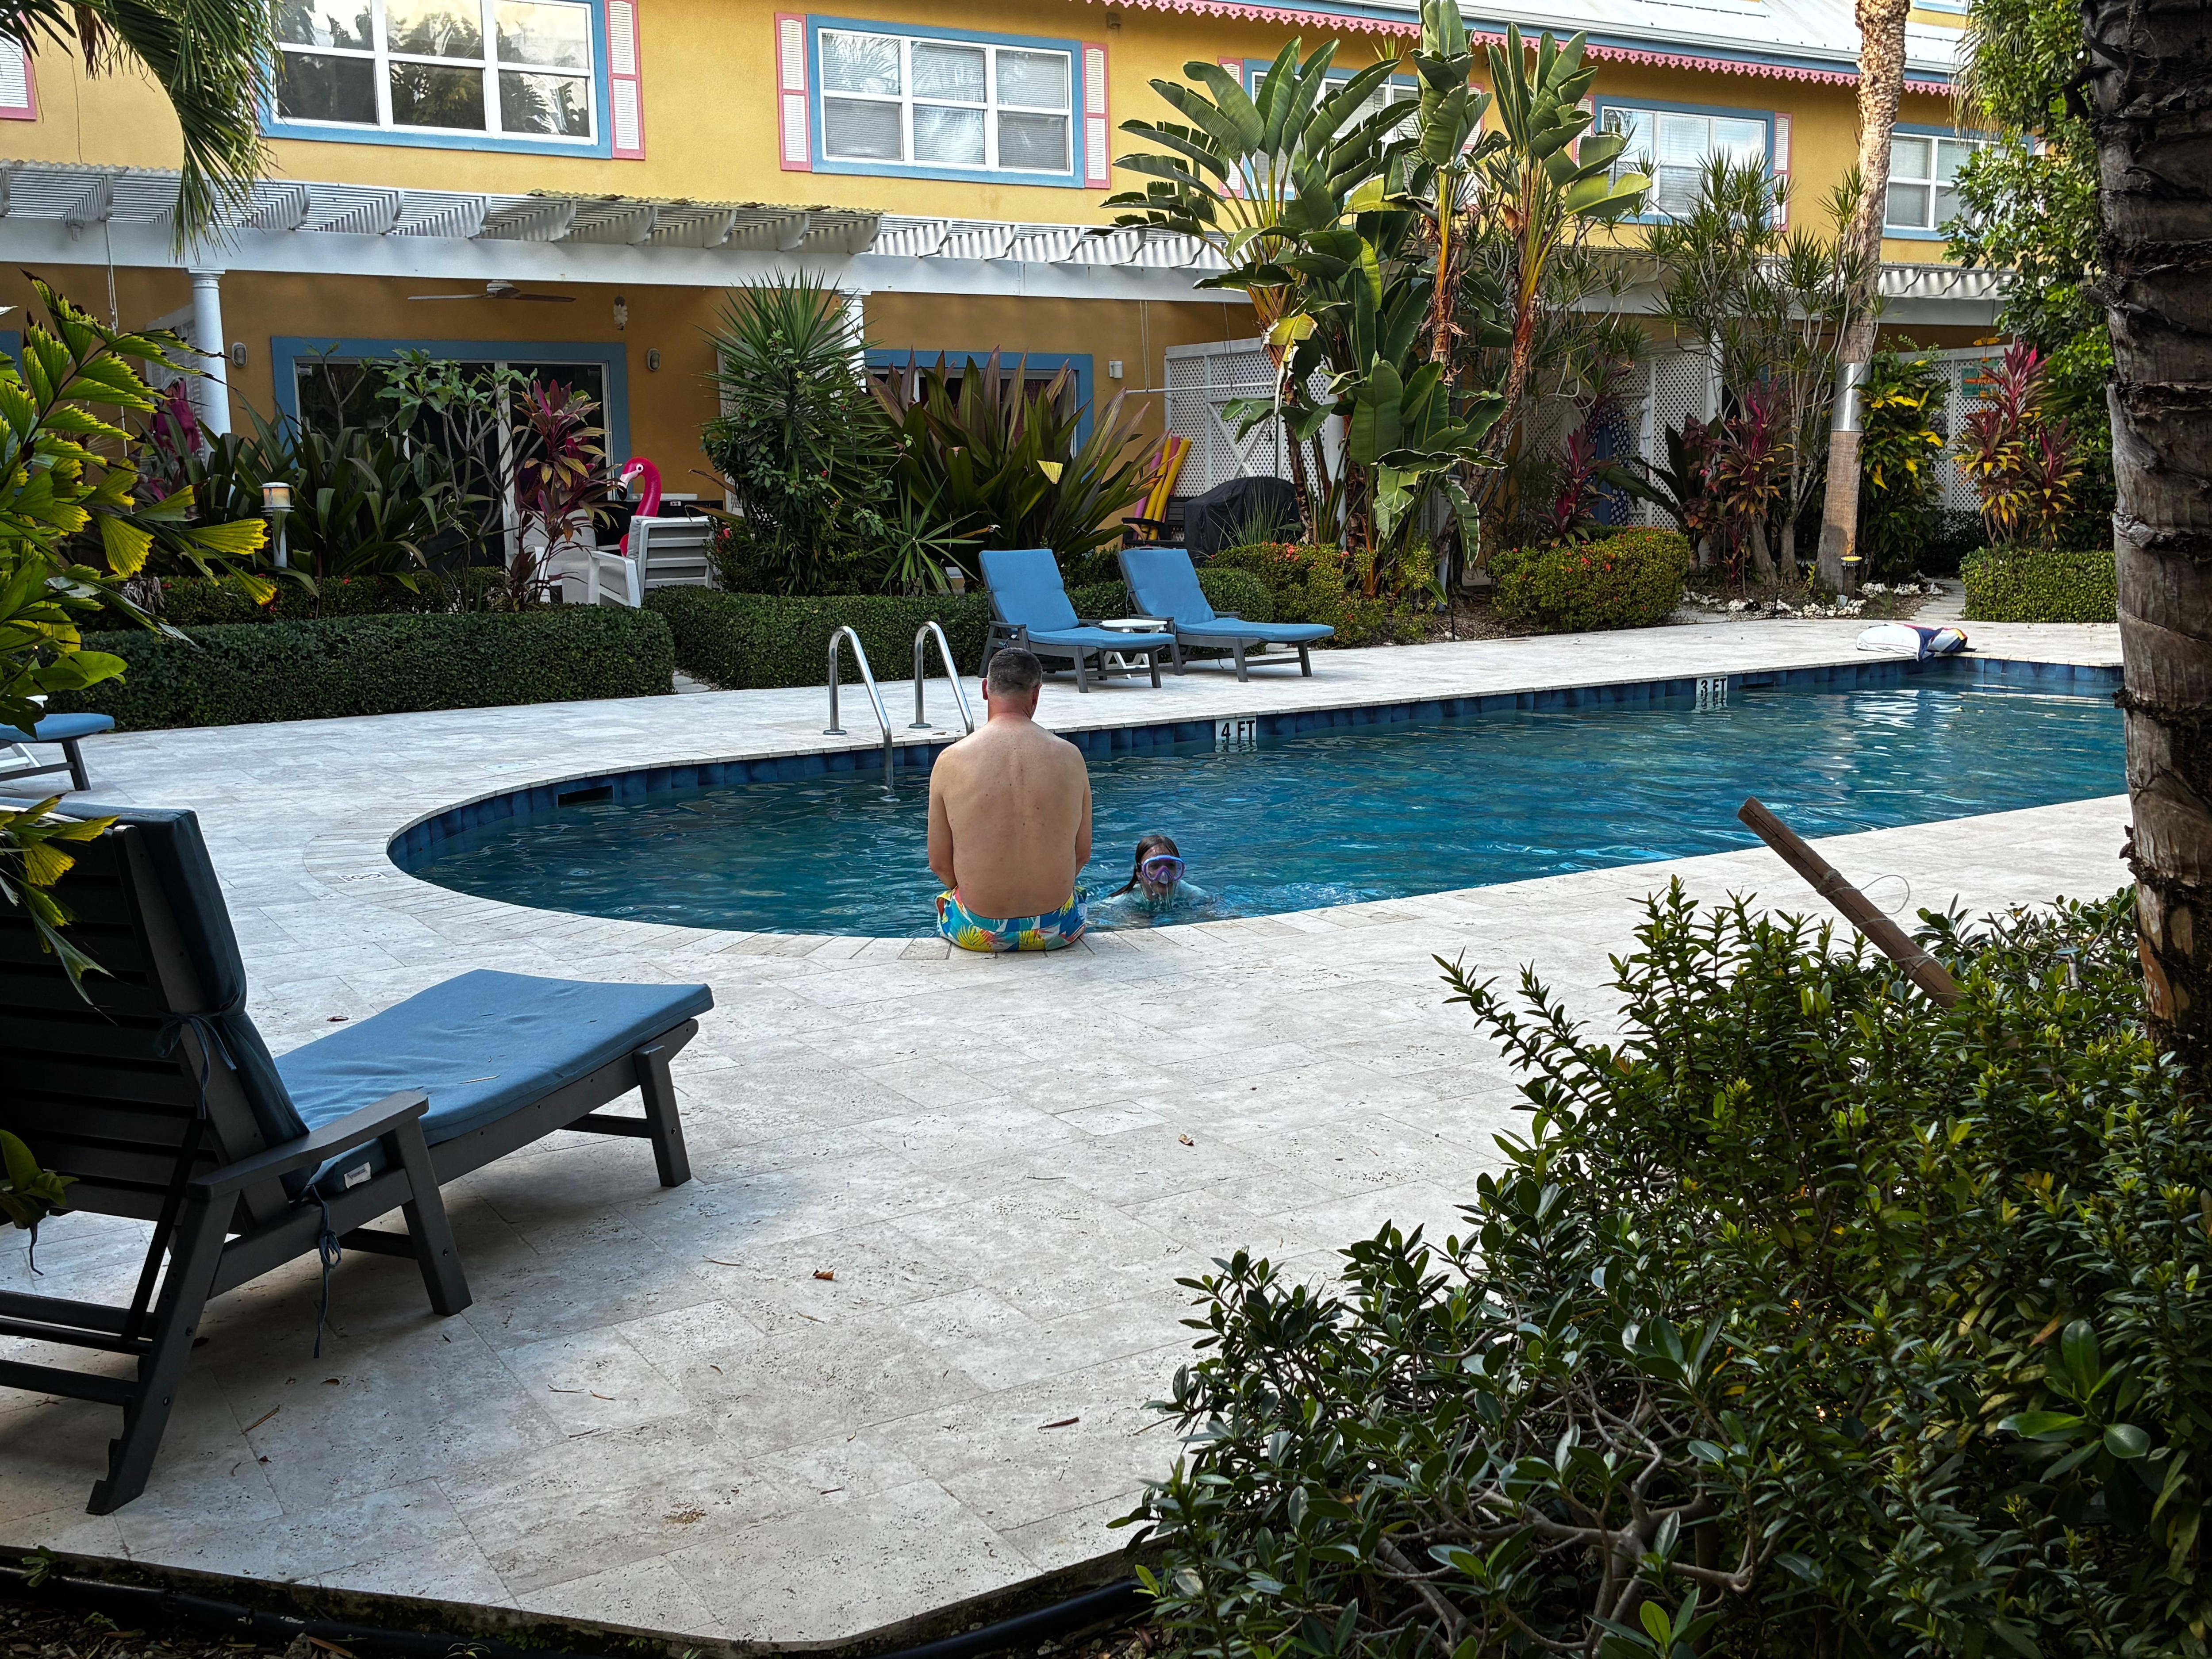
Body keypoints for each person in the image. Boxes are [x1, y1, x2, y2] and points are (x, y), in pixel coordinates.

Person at [927, 647, 1093, 952]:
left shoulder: (950, 761)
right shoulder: (1071, 758)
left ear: (985, 691)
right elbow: (1081, 855)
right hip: (1058, 929)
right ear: (1036, 694)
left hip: (978, 930)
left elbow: (939, 864)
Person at [1092, 832, 1210, 921]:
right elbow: (1093, 916)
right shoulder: (1126, 900)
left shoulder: (1190, 894)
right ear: (1140, 873)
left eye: (1171, 865)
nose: (1164, 874)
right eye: (1154, 866)